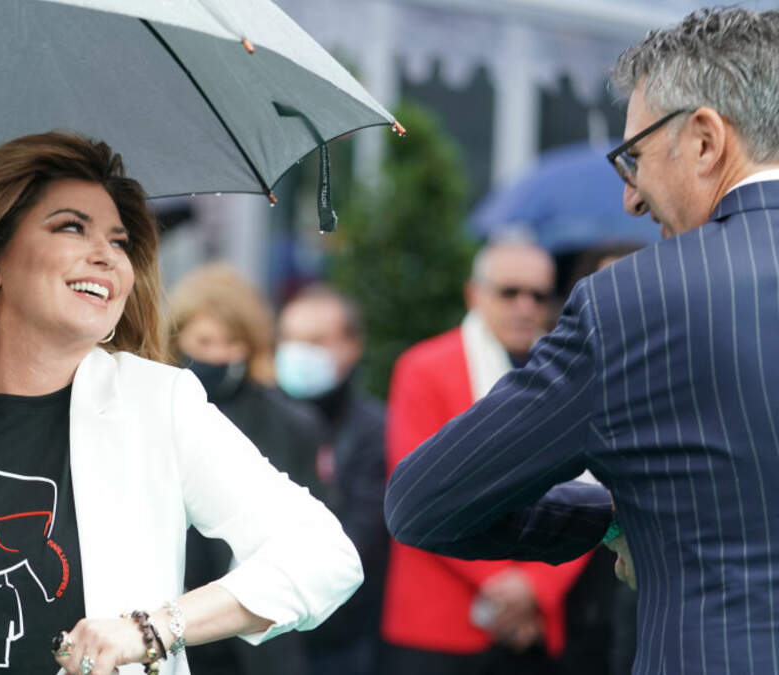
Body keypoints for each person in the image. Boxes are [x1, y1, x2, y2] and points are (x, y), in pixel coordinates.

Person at [0, 132, 362, 675]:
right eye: (71, 228)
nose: (106, 255)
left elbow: (324, 556)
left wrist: (155, 629)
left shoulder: (160, 404)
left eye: (119, 241)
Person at [385, 7, 779, 674]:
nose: (631, 200)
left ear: (706, 140)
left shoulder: (635, 301)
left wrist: (617, 516)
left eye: (634, 158)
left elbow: (423, 503)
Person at [382, 237, 588, 675]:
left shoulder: (571, 370)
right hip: (440, 623)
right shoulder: (423, 367)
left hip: (534, 621)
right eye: (509, 292)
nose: (525, 306)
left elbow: (594, 486)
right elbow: (418, 494)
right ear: (474, 294)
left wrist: (537, 586)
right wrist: (504, 586)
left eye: (538, 295)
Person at [168, 263, 324, 675]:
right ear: (177, 339)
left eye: (232, 342)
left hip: (257, 643)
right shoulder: (155, 412)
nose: (218, 355)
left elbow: (311, 531)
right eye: (204, 341)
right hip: (167, 628)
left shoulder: (291, 423)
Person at [274, 285, 387, 674]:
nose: (298, 352)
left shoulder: (373, 430)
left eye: (316, 341)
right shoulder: (256, 417)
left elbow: (361, 537)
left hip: (344, 641)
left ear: (352, 346)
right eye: (290, 339)